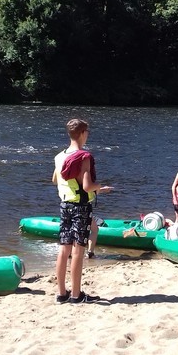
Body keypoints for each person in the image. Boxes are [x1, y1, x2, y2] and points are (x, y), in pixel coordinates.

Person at [52, 119, 112, 304]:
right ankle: (76, 295)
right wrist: (100, 186)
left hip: (65, 206)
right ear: (83, 133)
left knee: (64, 249)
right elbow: (87, 186)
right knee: (78, 250)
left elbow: (55, 180)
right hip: (81, 208)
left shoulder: (59, 156)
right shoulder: (84, 157)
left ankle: (61, 293)